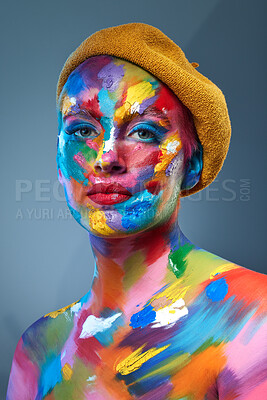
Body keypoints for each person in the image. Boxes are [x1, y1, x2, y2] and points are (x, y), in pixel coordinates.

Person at [7, 23, 267, 400]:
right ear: (58, 158)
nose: (107, 157)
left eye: (144, 132)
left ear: (192, 163)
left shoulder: (250, 319)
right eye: (82, 130)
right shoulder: (38, 350)